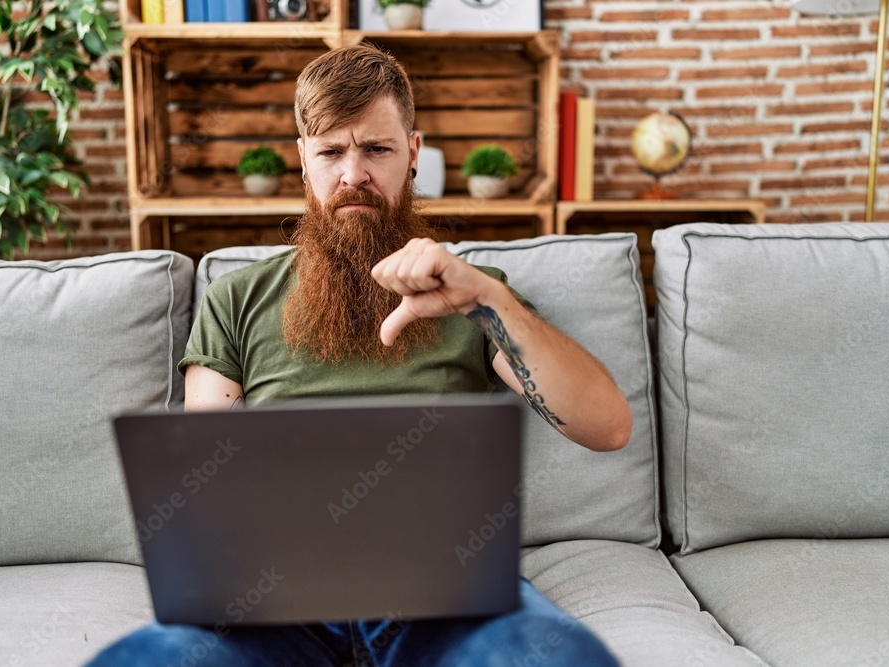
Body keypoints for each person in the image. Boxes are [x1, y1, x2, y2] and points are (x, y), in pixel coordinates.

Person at [87, 44, 630, 667]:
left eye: (376, 149)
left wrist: (488, 299)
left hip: (444, 589)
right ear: (302, 160)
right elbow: (206, 492)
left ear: (413, 153)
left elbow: (608, 427)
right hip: (271, 598)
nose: (354, 175)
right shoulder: (236, 299)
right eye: (331, 152)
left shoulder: (474, 294)